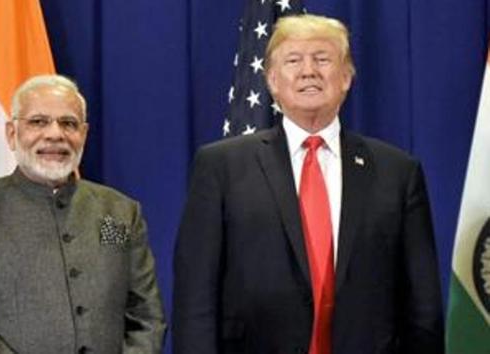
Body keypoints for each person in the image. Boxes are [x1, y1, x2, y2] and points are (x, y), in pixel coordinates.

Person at [173, 14, 444, 354]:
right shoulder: (221, 166)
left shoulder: (398, 172)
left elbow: (423, 304)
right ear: (272, 80)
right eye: (293, 60)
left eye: (322, 58)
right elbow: (195, 295)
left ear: (346, 77)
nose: (308, 71)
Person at [0, 75, 166, 354]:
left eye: (69, 123)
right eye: (38, 122)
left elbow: (147, 317)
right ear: (12, 133)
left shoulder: (119, 211)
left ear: (84, 134)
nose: (55, 134)